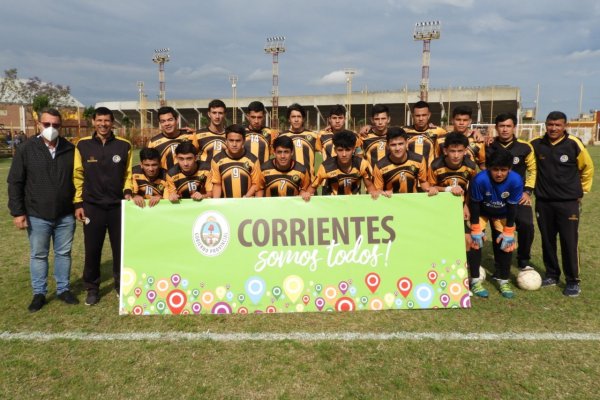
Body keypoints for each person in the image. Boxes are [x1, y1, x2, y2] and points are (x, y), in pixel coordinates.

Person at [7, 108, 78, 312]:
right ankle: (39, 293)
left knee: (64, 253)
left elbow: (78, 180)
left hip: (65, 214)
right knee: (39, 255)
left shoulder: (70, 149)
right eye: (47, 124)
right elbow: (15, 182)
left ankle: (63, 289)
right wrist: (18, 212)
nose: (51, 128)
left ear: (61, 126)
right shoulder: (26, 149)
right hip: (37, 214)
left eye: (56, 125)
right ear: (39, 124)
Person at [73, 107, 133, 306]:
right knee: (92, 249)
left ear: (112, 122)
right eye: (99, 120)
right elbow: (78, 175)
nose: (103, 124)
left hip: (118, 207)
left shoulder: (124, 145)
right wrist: (79, 203)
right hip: (92, 207)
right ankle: (92, 288)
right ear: (93, 122)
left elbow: (128, 175)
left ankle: (120, 285)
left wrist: (127, 192)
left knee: (120, 249)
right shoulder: (82, 145)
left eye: (107, 120)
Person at [530, 111, 594, 297]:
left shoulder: (573, 144)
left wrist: (581, 191)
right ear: (545, 125)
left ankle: (573, 281)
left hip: (568, 203)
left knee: (569, 241)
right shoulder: (536, 144)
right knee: (547, 241)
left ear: (565, 126)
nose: (554, 128)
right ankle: (552, 274)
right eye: (550, 124)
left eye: (558, 125)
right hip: (544, 202)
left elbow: (587, 168)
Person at [467, 148, 524, 299]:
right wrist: (475, 228)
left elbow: (513, 206)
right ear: (489, 168)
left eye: (503, 170)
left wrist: (509, 230)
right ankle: (474, 281)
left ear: (510, 169)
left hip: (503, 214)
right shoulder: (480, 179)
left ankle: (503, 280)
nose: (499, 174)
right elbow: (474, 205)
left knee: (507, 245)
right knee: (474, 242)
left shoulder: (516, 180)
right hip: (482, 213)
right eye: (495, 169)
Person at [487, 113, 536, 271]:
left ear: (514, 127)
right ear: (496, 128)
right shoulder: (489, 145)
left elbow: (533, 170)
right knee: (497, 229)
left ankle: (523, 259)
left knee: (526, 224)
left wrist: (527, 191)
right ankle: (499, 262)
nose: (505, 129)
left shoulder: (525, 147)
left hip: (518, 196)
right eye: (501, 126)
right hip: (496, 196)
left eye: (508, 126)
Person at [427, 132, 478, 248]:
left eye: (460, 151)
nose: (456, 155)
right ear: (445, 151)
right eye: (452, 151)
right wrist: (449, 189)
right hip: (439, 207)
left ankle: (466, 265)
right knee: (440, 238)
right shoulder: (435, 166)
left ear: (465, 151)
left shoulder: (471, 166)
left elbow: (471, 189)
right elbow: (431, 187)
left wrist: (466, 205)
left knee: (467, 239)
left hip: (459, 206)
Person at [303, 130, 377, 200]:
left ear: (354, 150)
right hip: (333, 206)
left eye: (348, 150)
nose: (344, 154)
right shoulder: (326, 167)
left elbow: (370, 186)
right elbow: (313, 187)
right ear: (335, 150)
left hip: (355, 205)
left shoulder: (362, 164)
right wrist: (307, 193)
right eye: (340, 150)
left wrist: (374, 193)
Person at [373, 127, 431, 195]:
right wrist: (383, 193)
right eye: (393, 145)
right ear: (387, 146)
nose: (397, 148)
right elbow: (377, 191)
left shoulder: (419, 160)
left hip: (412, 203)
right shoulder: (380, 166)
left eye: (400, 144)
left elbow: (423, 182)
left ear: (406, 143)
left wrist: (429, 189)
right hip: (390, 202)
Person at [211, 124, 261, 198]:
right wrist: (216, 203)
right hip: (226, 206)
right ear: (226, 141)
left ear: (244, 142)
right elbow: (217, 184)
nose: (234, 144)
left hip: (246, 204)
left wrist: (246, 197)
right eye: (231, 140)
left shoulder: (253, 160)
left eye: (238, 141)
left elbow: (255, 184)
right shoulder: (216, 160)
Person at [147, 106, 199, 171]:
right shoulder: (153, 143)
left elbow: (200, 155)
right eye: (163, 121)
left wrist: (197, 132)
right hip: (166, 179)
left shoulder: (191, 136)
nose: (167, 124)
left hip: (188, 179)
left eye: (170, 120)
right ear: (160, 123)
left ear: (177, 120)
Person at [278, 103, 320, 178]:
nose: (296, 120)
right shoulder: (282, 136)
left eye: (299, 117)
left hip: (309, 182)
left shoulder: (314, 136)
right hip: (290, 181)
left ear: (303, 119)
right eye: (293, 117)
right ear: (289, 119)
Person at [439, 106, 486, 170]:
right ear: (452, 120)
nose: (461, 123)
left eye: (465, 120)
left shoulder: (478, 141)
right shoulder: (440, 140)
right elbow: (436, 161)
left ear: (470, 121)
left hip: (469, 178)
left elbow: (483, 165)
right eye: (458, 120)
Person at [403, 100, 447, 168]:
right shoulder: (404, 131)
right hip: (410, 171)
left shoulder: (439, 131)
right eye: (417, 115)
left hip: (430, 173)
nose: (421, 118)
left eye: (424, 115)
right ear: (413, 116)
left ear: (429, 115)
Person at [360, 104, 390, 169]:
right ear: (372, 120)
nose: (380, 122)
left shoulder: (394, 135)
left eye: (383, 118)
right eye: (377, 119)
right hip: (371, 177)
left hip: (390, 176)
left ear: (388, 119)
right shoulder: (364, 136)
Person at [197, 99, 227, 163]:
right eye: (214, 113)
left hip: (223, 172)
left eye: (220, 113)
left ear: (224, 115)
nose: (217, 116)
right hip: (205, 172)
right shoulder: (198, 135)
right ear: (209, 114)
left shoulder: (230, 135)